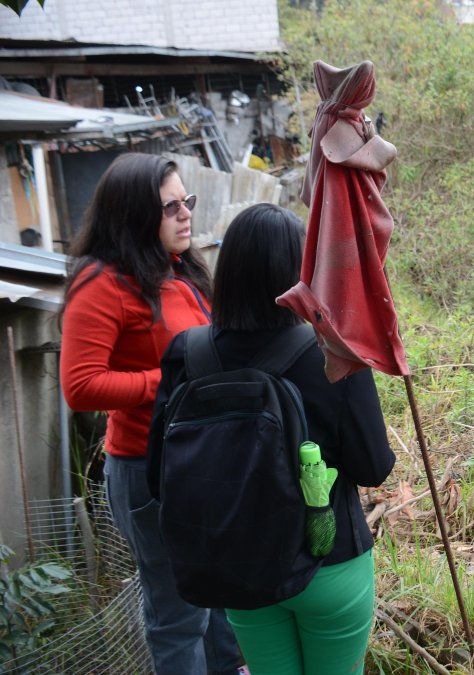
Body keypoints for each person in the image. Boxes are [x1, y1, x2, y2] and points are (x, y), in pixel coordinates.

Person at [149, 203, 395, 675]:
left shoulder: (187, 353)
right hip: (330, 560)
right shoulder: (332, 353)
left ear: (229, 269)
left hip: (241, 568)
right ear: (300, 271)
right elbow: (373, 467)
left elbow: (162, 475)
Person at [59, 152, 244, 673]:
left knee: (221, 602)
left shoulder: (178, 269)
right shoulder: (103, 282)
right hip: (149, 471)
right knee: (179, 614)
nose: (185, 214)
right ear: (134, 215)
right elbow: (80, 385)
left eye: (186, 201)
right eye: (169, 207)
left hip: (200, 461)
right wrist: (168, 383)